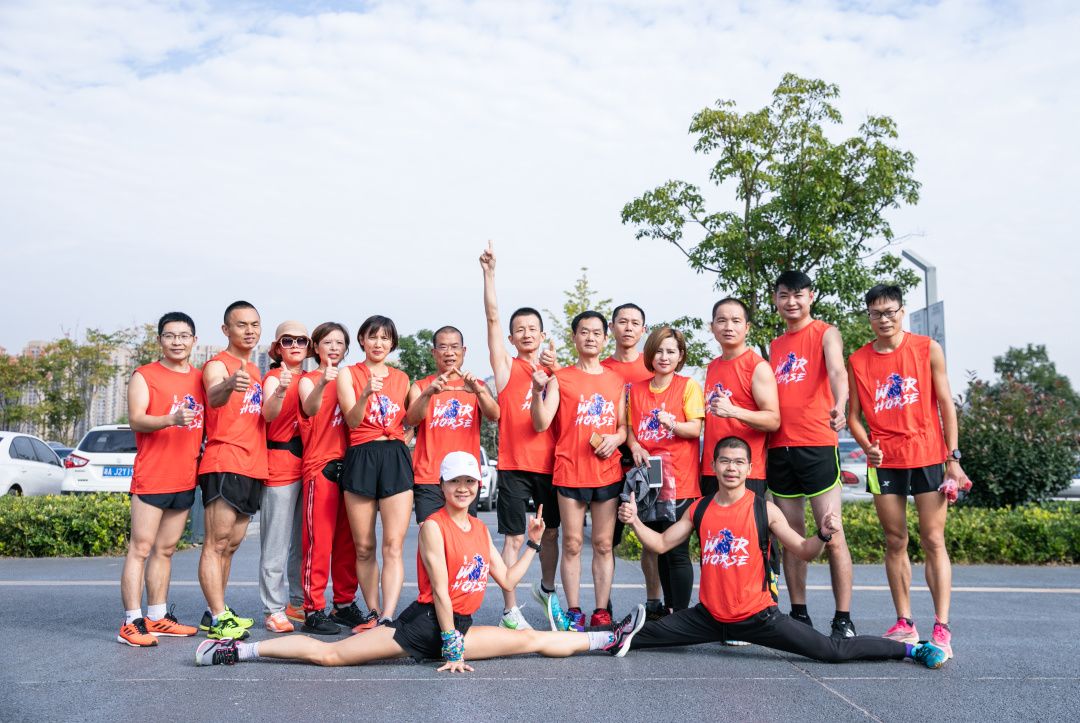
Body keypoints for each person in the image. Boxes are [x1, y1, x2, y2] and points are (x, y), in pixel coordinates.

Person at [196, 452, 646, 669]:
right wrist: (451, 646)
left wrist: (530, 544)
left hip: (459, 627)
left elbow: (508, 579)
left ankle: (608, 639)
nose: (463, 489)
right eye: (455, 483)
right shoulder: (434, 526)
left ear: (478, 485)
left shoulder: (479, 529)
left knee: (532, 640)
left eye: (470, 482)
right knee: (332, 656)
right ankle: (235, 649)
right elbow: (443, 593)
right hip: (427, 624)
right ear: (443, 486)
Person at [617, 436, 949, 670]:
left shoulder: (765, 510)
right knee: (631, 636)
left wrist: (823, 534)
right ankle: (597, 639)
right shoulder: (699, 509)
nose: (731, 468)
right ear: (714, 465)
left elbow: (804, 551)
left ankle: (911, 649)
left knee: (832, 651)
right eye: (725, 461)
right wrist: (634, 521)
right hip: (708, 618)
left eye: (739, 462)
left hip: (759, 617)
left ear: (749, 468)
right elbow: (661, 544)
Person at [847, 285, 972, 660]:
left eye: (890, 312)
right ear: (868, 317)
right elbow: (854, 416)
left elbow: (946, 404)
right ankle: (904, 622)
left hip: (928, 455)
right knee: (895, 540)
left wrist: (953, 458)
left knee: (933, 539)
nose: (884, 319)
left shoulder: (926, 348)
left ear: (902, 312)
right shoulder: (858, 360)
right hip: (885, 461)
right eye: (876, 313)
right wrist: (866, 445)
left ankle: (941, 626)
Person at [767, 271, 855, 639]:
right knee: (792, 536)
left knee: (832, 532)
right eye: (784, 295)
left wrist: (840, 402)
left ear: (811, 297)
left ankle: (843, 618)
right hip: (779, 447)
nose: (791, 302)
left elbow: (837, 370)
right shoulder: (774, 345)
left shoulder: (825, 332)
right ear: (776, 299)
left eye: (798, 295)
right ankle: (799, 614)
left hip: (817, 444)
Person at [479, 241, 560, 631]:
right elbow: (493, 317)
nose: (526, 334)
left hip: (550, 467)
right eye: (519, 330)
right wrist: (489, 273)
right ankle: (511, 610)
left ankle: (547, 590)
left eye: (532, 329)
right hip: (513, 467)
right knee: (513, 539)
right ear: (511, 339)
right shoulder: (506, 368)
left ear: (542, 335)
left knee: (549, 536)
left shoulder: (556, 373)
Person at [531, 311, 628, 630]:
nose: (590, 337)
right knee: (572, 543)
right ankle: (574, 610)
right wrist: (536, 390)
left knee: (603, 544)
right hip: (570, 470)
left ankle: (601, 611)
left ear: (605, 338)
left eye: (597, 332)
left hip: (607, 472)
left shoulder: (616, 380)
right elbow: (541, 422)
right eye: (584, 332)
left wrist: (616, 439)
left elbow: (623, 428)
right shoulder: (561, 378)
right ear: (574, 338)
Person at [118, 312, 205, 647]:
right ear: (160, 340)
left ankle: (157, 616)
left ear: (194, 341)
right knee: (140, 549)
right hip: (152, 476)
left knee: (165, 550)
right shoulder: (145, 375)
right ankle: (131, 622)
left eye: (184, 336)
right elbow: (136, 419)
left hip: (185, 477)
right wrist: (171, 419)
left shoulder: (200, 378)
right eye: (170, 336)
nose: (177, 342)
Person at [197, 300, 268, 640]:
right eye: (241, 325)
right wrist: (228, 384)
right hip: (225, 461)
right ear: (226, 329)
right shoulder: (218, 365)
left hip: (253, 465)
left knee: (232, 544)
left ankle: (218, 611)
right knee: (216, 542)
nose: (249, 330)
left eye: (254, 324)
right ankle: (217, 616)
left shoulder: (255, 370)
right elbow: (214, 395)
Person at [337, 315, 413, 624]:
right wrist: (366, 393)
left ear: (392, 343)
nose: (378, 343)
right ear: (362, 340)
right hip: (361, 455)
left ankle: (388, 615)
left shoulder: (402, 378)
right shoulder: (349, 374)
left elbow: (412, 418)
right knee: (364, 546)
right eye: (372, 337)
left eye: (385, 338)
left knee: (393, 545)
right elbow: (352, 420)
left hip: (394, 456)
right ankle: (372, 610)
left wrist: (404, 439)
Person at [625, 326, 704, 618]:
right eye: (658, 350)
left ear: (680, 356)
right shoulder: (636, 390)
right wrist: (635, 446)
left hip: (680, 481)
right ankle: (669, 611)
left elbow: (695, 429)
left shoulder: (688, 386)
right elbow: (630, 429)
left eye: (671, 351)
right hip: (650, 481)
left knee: (677, 551)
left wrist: (672, 423)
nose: (664, 356)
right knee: (658, 548)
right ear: (649, 354)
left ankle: (681, 614)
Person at [296, 322, 363, 635]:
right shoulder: (308, 380)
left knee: (348, 543)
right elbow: (310, 408)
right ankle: (313, 609)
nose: (334, 348)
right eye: (327, 342)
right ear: (316, 347)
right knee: (318, 543)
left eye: (339, 343)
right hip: (320, 467)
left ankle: (344, 604)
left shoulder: (352, 379)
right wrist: (324, 381)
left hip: (352, 468)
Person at [406, 325, 500, 524]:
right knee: (430, 532)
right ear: (434, 352)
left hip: (465, 476)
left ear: (463, 351)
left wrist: (478, 391)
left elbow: (494, 415)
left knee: (462, 535)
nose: (449, 352)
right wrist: (429, 393)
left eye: (455, 347)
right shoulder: (421, 386)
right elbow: (411, 419)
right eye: (443, 347)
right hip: (429, 476)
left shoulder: (478, 386)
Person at [258, 321, 311, 634]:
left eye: (301, 341)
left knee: (302, 542)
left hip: (309, 465)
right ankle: (273, 609)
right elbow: (268, 413)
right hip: (279, 464)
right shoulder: (273, 378)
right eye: (287, 341)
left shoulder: (312, 379)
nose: (295, 345)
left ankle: (296, 602)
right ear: (277, 348)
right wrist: (280, 389)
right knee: (276, 543)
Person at [701, 298, 780, 499]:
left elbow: (773, 420)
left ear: (747, 327)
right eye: (721, 321)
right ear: (712, 327)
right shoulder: (712, 367)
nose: (728, 327)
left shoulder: (757, 367)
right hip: (712, 468)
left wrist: (733, 411)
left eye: (736, 321)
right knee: (708, 521)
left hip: (744, 471)